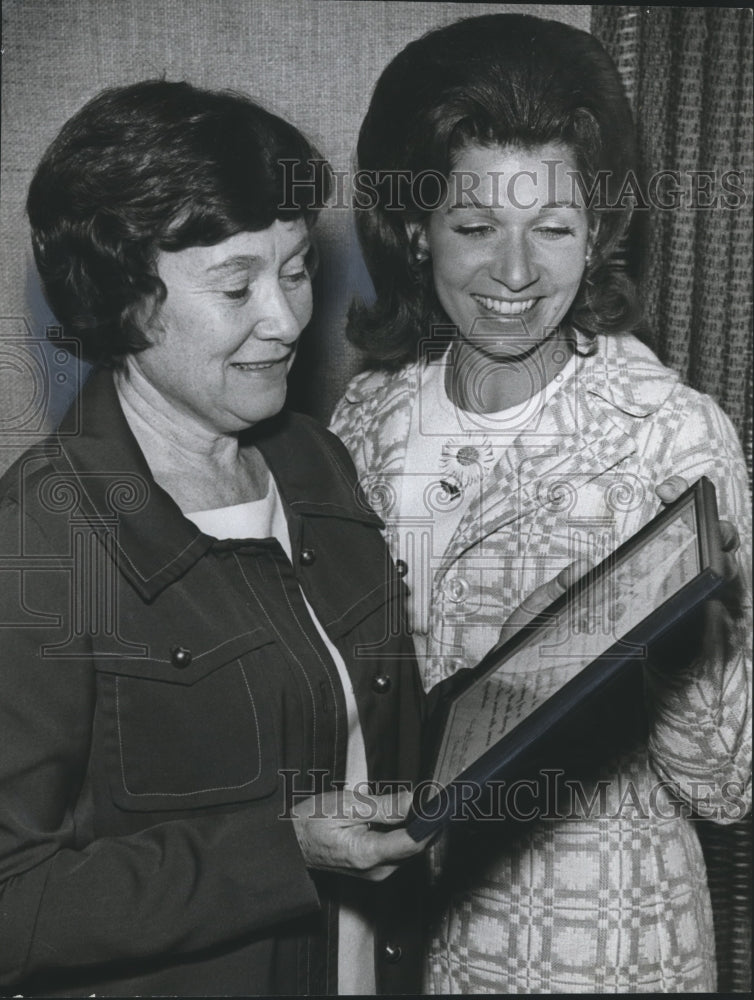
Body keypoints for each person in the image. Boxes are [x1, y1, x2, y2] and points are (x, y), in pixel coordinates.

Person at [331, 13, 752, 994]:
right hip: (390, 943)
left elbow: (730, 787)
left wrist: (656, 634)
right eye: (475, 227)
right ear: (412, 223)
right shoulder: (366, 417)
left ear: (599, 227)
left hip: (598, 950)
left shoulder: (666, 436)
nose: (514, 274)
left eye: (553, 228)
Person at [0, 80, 428, 997]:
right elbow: (13, 903)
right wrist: (283, 852)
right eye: (236, 285)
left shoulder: (316, 461)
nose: (285, 319)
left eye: (299, 267)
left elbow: (364, 728)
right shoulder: (40, 534)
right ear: (123, 299)